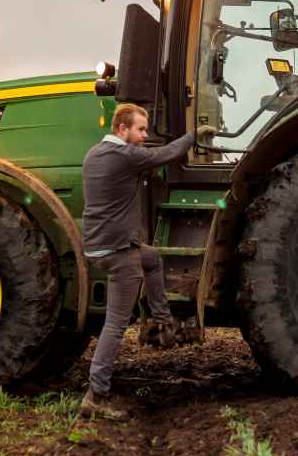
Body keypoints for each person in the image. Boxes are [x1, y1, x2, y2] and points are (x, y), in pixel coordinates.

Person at [78, 102, 209, 420]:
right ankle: (96, 396)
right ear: (122, 130)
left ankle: (161, 321)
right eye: (139, 129)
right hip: (118, 253)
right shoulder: (125, 156)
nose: (144, 135)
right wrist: (193, 135)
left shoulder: (95, 153)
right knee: (115, 324)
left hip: (100, 245)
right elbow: (163, 155)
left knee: (151, 258)